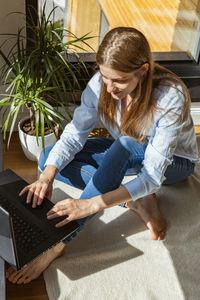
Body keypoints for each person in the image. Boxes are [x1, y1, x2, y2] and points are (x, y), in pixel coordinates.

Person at [6, 27, 199, 284]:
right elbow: (74, 135)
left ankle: (58, 242)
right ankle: (135, 199)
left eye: (118, 80)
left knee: (125, 146)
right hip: (125, 147)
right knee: (48, 158)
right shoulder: (101, 85)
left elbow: (152, 176)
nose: (109, 88)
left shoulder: (168, 97)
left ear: (142, 70)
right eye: (105, 77)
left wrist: (91, 204)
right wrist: (47, 178)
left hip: (177, 162)